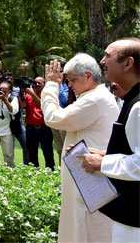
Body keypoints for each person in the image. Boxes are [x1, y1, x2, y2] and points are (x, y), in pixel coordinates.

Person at [41, 54, 119, 243]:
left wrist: (51, 86)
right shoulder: (92, 97)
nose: (69, 85)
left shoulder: (94, 99)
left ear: (88, 76)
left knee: (89, 231)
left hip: (91, 181)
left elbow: (53, 118)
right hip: (86, 178)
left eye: (72, 80)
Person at [76, 39, 140, 242]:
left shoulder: (138, 106)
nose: (102, 61)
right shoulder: (133, 100)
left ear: (128, 63)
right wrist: (104, 155)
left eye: (108, 56)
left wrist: (102, 163)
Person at [20, 77, 54, 169]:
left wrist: (32, 93)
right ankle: (34, 171)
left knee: (48, 152)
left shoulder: (47, 95)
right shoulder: (28, 96)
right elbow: (22, 105)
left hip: (44, 127)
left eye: (40, 83)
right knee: (32, 153)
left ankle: (50, 171)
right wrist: (22, 93)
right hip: (31, 127)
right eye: (36, 83)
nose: (37, 84)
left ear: (44, 85)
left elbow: (41, 105)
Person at [4, 72, 29, 165]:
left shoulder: (17, 90)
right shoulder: (2, 90)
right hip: (6, 122)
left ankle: (27, 165)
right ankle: (10, 166)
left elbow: (22, 105)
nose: (9, 80)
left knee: (26, 144)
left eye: (11, 78)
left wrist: (22, 93)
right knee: (9, 148)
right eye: (7, 78)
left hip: (17, 122)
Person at [51, 73, 72, 161]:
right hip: (54, 118)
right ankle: (60, 167)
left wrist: (59, 85)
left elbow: (65, 99)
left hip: (63, 119)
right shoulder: (52, 85)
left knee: (65, 147)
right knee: (59, 148)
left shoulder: (66, 85)